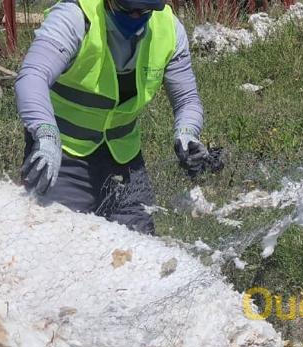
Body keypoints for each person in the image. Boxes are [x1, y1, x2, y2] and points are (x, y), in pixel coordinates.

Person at [15, 0, 218, 234]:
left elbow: (187, 100)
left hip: (123, 159)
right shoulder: (75, 17)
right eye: (126, 9)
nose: (134, 17)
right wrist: (46, 133)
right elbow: (32, 76)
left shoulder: (170, 30)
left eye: (143, 12)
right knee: (59, 240)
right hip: (63, 155)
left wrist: (187, 132)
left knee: (138, 247)